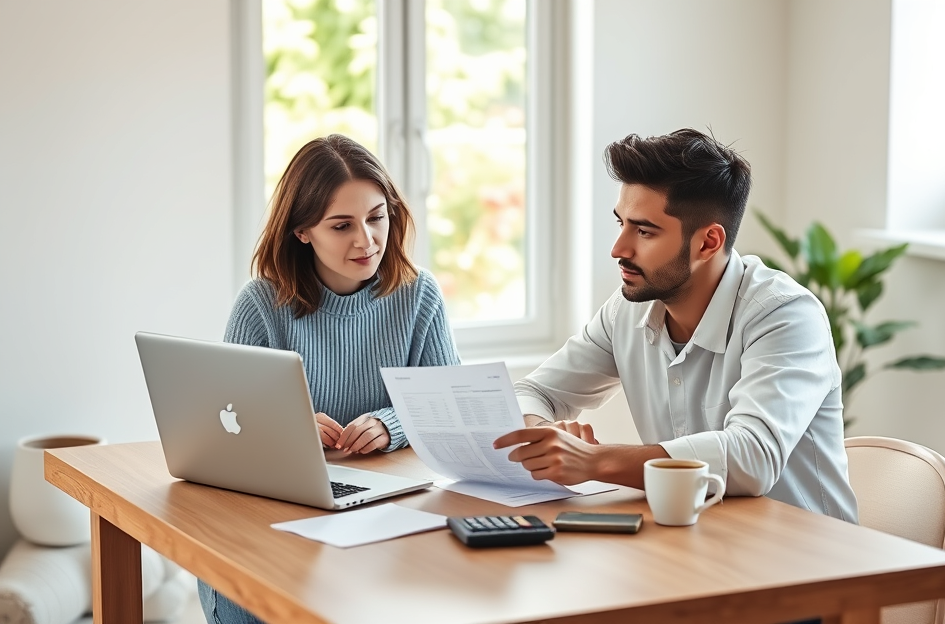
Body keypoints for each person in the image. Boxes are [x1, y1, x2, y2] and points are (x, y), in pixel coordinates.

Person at [494, 128, 858, 526]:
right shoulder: (626, 311)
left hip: (807, 561)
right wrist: (543, 436)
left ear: (707, 243)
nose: (619, 248)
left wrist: (593, 461)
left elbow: (751, 457)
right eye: (621, 223)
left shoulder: (784, 315)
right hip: (694, 544)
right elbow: (534, 391)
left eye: (644, 231)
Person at [198, 134, 460, 624]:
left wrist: (391, 423)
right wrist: (286, 428)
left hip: (378, 510)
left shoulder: (418, 294)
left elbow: (449, 406)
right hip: (273, 516)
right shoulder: (261, 304)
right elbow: (225, 429)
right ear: (302, 230)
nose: (366, 240)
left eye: (376, 217)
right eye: (341, 225)